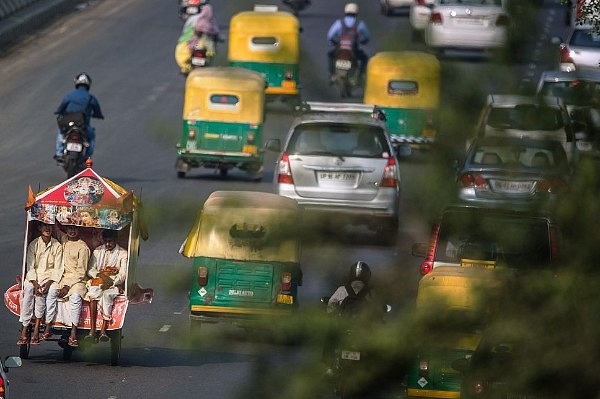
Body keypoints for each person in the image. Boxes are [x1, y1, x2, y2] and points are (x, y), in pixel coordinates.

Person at [323, 261, 373, 376]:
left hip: (343, 326)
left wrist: (331, 315)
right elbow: (376, 309)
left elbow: (331, 304)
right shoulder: (370, 292)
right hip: (362, 329)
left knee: (330, 338)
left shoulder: (342, 290)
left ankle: (329, 367)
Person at [43, 225, 90, 347]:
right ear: (67, 230)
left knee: (75, 297)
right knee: (52, 291)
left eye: (75, 229)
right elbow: (56, 230)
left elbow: (81, 272)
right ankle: (48, 326)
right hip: (63, 277)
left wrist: (67, 287)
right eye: (70, 228)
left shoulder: (83, 247)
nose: (72, 231)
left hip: (78, 280)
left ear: (79, 230)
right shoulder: (64, 239)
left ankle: (73, 333)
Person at [17, 222, 63, 346]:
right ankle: (25, 328)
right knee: (28, 293)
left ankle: (37, 328)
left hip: (49, 278)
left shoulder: (57, 246)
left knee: (45, 293)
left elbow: (58, 269)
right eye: (44, 226)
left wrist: (48, 283)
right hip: (34, 277)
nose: (47, 228)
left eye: (49, 226)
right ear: (40, 228)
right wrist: (35, 283)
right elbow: (30, 266)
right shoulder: (34, 244)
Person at [85, 230, 127, 342]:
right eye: (106, 241)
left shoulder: (123, 253)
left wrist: (111, 282)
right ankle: (92, 330)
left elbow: (122, 274)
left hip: (114, 283)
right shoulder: (98, 251)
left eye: (110, 242)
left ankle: (103, 330)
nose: (108, 244)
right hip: (99, 280)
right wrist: (101, 276)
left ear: (116, 240)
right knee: (93, 293)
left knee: (107, 296)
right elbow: (90, 269)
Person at [54, 73, 104, 162]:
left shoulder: (69, 95)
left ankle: (59, 153)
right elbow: (97, 111)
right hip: (83, 125)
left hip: (69, 124)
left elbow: (61, 107)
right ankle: (87, 157)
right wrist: (98, 115)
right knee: (91, 137)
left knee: (61, 133)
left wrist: (58, 111)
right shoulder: (90, 98)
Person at [326, 3, 370, 83]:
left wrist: (332, 42)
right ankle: (360, 76)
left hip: (339, 49)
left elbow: (330, 35)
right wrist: (364, 41)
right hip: (353, 50)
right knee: (364, 58)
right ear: (356, 13)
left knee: (330, 55)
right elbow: (367, 37)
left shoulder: (339, 23)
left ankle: (332, 75)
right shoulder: (360, 24)